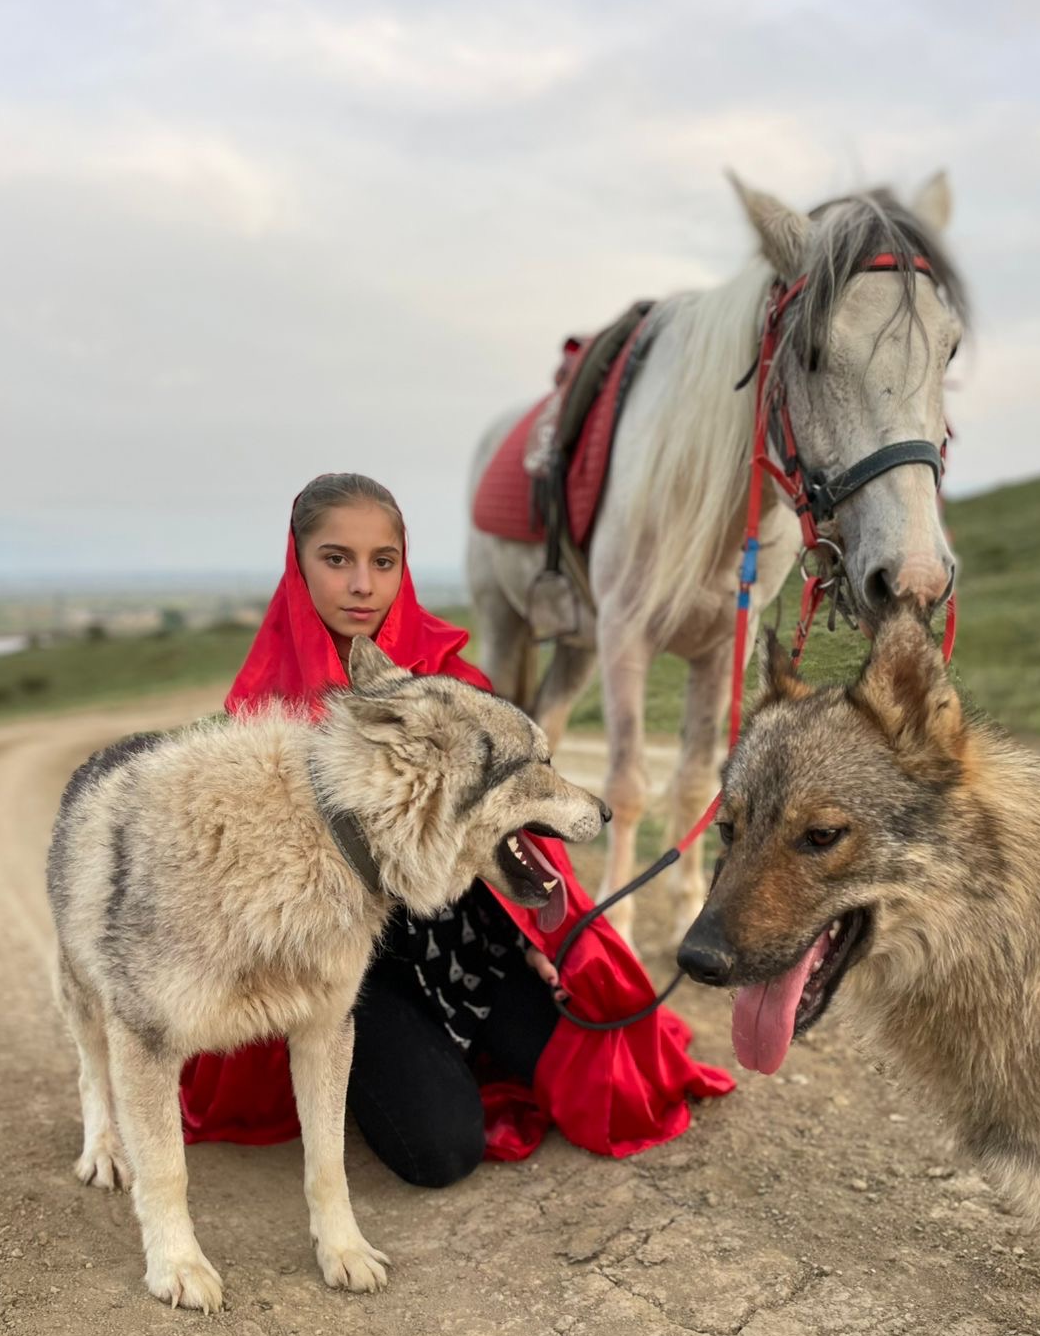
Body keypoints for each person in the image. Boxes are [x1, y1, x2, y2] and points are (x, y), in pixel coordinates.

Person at [179, 472, 733, 1184]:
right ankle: (384, 1065)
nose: (362, 584)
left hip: (466, 938)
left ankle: (452, 1043)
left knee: (593, 1059)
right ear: (298, 561)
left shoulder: (449, 676)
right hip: (354, 968)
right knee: (441, 1152)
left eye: (383, 561)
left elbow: (507, 820)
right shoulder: (264, 710)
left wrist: (542, 934)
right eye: (336, 559)